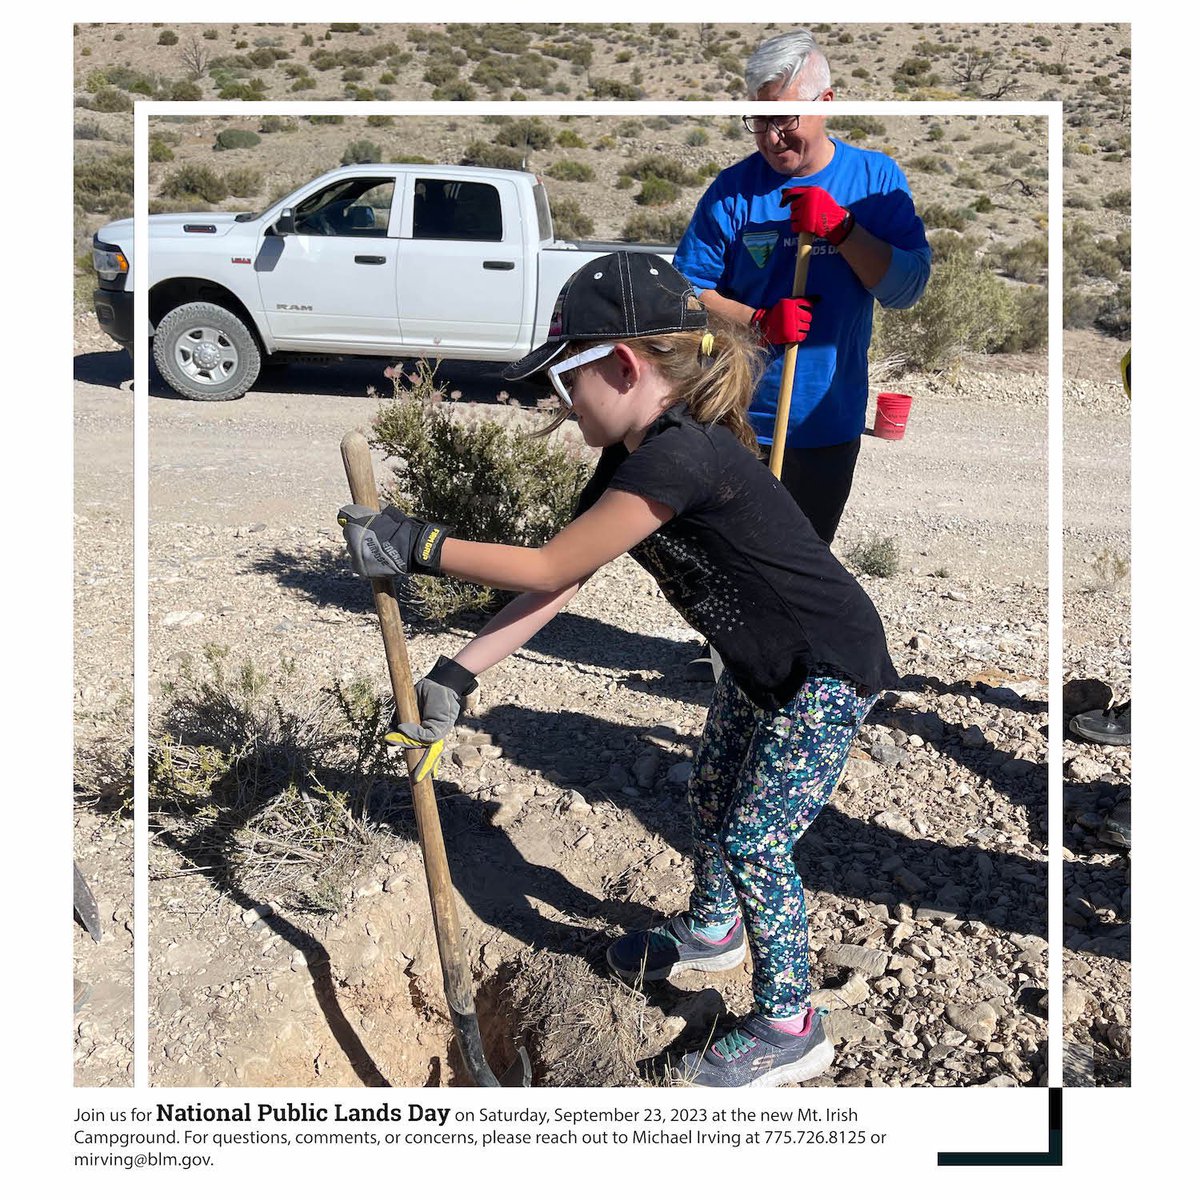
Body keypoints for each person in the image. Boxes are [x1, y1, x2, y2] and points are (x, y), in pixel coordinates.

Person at [338, 253, 900, 1088]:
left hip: (825, 672)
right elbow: (563, 576)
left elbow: (540, 563)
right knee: (711, 795)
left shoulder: (682, 458)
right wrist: (458, 674)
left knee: (754, 838)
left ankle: (791, 1024)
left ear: (624, 364)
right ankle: (714, 934)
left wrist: (418, 546)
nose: (559, 406)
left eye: (567, 382)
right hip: (763, 667)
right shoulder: (637, 455)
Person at [673, 27, 932, 547]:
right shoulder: (733, 192)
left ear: (826, 102)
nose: (771, 137)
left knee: (803, 568)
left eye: (784, 118)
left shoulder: (875, 182)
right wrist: (759, 321)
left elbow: (906, 289)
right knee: (733, 564)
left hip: (826, 424)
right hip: (736, 420)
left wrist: (844, 230)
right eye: (759, 120)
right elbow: (685, 291)